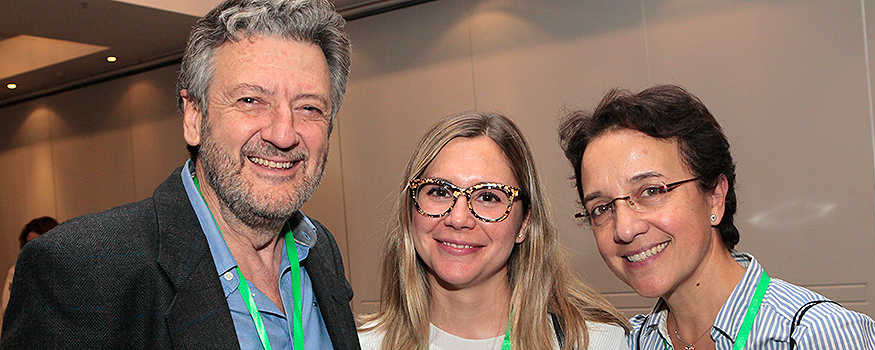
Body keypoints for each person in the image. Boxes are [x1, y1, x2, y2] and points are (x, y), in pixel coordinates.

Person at [0, 0, 359, 349]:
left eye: (310, 107)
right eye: (250, 100)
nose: (283, 134)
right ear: (194, 118)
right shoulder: (82, 270)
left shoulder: (319, 251)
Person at [558, 84, 875, 349]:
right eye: (602, 208)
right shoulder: (630, 343)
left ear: (714, 197)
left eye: (652, 191)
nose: (624, 229)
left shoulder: (816, 336)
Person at [358, 112, 629, 350]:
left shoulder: (592, 342)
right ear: (410, 210)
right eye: (439, 192)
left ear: (524, 223)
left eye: (488, 197)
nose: (458, 218)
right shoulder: (359, 345)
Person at [0, 217, 59, 330]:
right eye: (28, 246)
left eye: (38, 245)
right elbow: (7, 314)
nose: (32, 251)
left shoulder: (67, 271)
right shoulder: (17, 271)